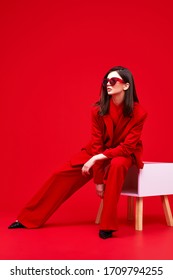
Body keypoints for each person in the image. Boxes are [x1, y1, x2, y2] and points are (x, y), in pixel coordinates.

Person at [8, 66, 147, 239]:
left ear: (126, 85)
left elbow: (127, 147)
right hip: (98, 150)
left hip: (123, 153)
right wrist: (98, 180)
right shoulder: (97, 110)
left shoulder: (139, 112)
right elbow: (97, 144)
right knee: (61, 174)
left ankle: (108, 225)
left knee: (117, 165)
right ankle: (28, 219)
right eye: (106, 81)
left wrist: (97, 158)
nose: (108, 84)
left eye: (113, 81)